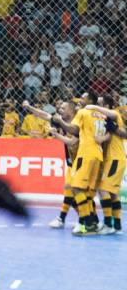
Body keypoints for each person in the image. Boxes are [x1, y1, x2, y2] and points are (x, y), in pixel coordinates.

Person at [53, 91, 107, 235]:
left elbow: (73, 129)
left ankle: (86, 223)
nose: (80, 100)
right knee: (87, 192)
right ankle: (93, 221)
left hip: (86, 153)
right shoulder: (101, 114)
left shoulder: (84, 112)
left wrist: (60, 122)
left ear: (90, 100)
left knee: (75, 187)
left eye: (83, 98)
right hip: (98, 155)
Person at [27, 100, 79, 229]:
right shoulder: (61, 121)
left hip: (82, 162)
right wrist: (29, 107)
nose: (60, 109)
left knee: (77, 192)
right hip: (72, 163)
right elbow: (45, 115)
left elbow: (72, 142)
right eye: (60, 107)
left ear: (72, 111)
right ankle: (78, 218)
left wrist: (56, 135)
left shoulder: (77, 123)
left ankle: (82, 219)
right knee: (70, 190)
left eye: (63, 107)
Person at [84, 96, 125, 234]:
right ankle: (117, 226)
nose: (98, 105)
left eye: (100, 104)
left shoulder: (114, 114)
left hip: (115, 159)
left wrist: (94, 107)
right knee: (113, 193)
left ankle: (108, 224)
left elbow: (113, 114)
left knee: (103, 189)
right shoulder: (104, 120)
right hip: (109, 159)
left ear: (106, 105)